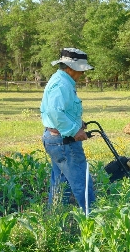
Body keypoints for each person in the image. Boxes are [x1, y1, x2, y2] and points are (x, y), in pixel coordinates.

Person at [40, 48, 95, 213]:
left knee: (60, 183)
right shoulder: (61, 84)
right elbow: (55, 112)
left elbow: (63, 110)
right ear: (71, 68)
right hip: (64, 142)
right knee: (82, 182)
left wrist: (78, 122)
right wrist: (74, 130)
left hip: (56, 139)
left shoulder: (62, 80)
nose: (83, 74)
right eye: (81, 70)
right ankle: (92, 219)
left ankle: (55, 219)